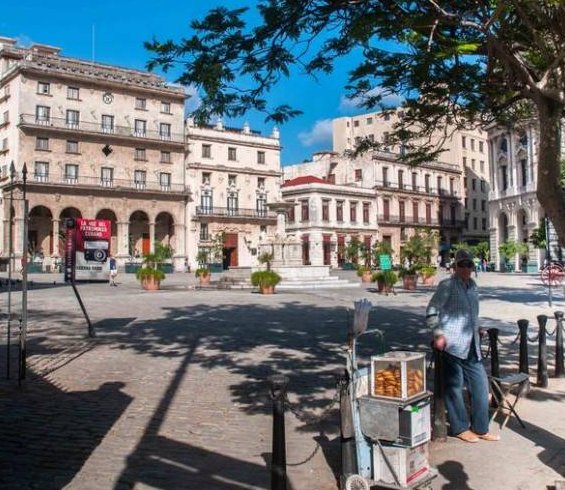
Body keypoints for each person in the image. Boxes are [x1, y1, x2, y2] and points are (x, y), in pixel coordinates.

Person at [426, 249, 499, 443]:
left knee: (481, 387)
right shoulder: (447, 285)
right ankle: (459, 428)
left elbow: (471, 314)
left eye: (469, 264)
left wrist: (477, 327)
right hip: (452, 345)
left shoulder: (473, 286)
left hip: (472, 344)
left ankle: (481, 428)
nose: (466, 268)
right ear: (455, 267)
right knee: (454, 388)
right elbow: (432, 311)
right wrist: (438, 334)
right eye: (462, 264)